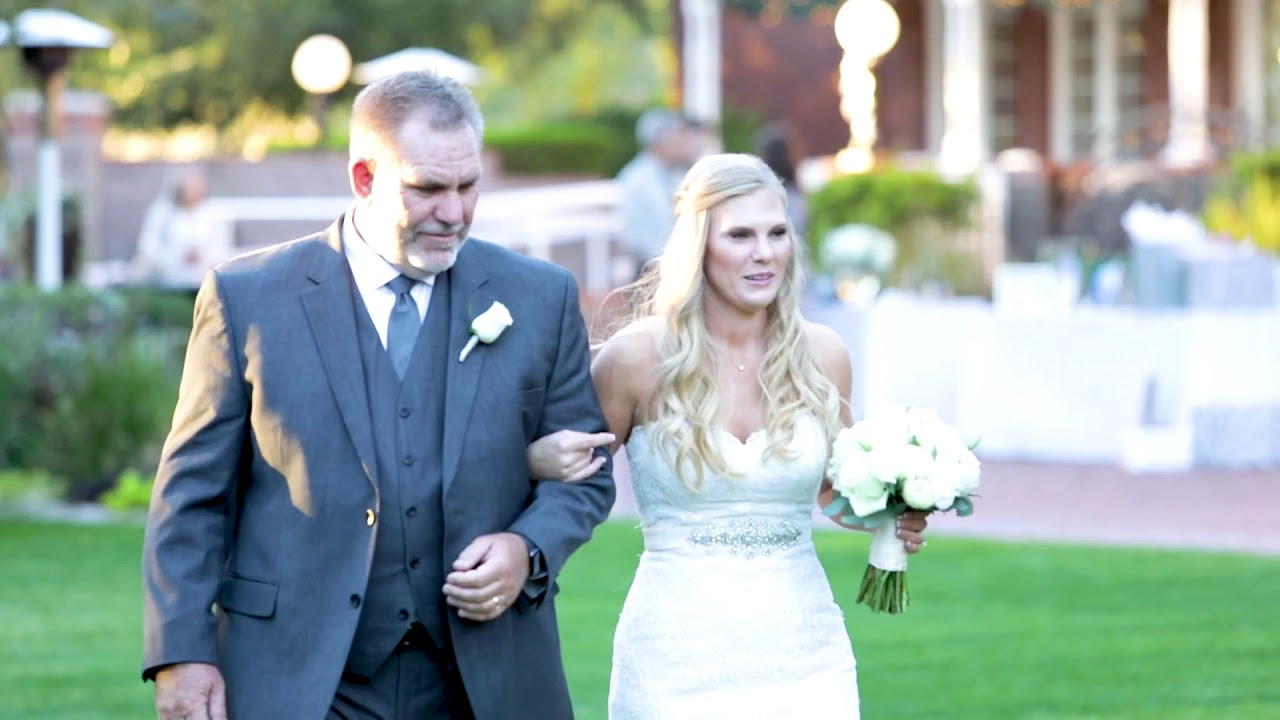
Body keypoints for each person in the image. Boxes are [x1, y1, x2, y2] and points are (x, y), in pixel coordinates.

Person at [141, 71, 616, 720]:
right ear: (364, 178)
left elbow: (586, 473)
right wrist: (180, 655)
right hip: (300, 677)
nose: (453, 213)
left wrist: (526, 550)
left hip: (483, 680)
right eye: (427, 189)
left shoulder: (539, 296)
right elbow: (193, 496)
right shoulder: (247, 296)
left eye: (467, 186)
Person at [527, 153, 929, 718]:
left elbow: (836, 493)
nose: (764, 252)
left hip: (806, 659)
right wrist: (534, 464)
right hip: (672, 661)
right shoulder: (636, 359)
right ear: (699, 247)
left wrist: (895, 509)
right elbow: (570, 477)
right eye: (740, 235)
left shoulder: (823, 356)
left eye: (777, 233)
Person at [614, 109, 704, 277]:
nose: (685, 141)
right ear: (660, 140)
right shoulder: (640, 180)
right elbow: (657, 242)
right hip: (651, 272)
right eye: (679, 134)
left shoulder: (672, 173)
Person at [131, 168, 235, 293]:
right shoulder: (162, 212)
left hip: (204, 285)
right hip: (166, 285)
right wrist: (178, 256)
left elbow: (223, 251)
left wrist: (202, 257)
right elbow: (148, 249)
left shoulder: (215, 213)